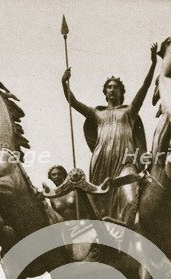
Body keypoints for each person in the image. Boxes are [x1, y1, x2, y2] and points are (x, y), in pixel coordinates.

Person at [62, 45, 157, 225]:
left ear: (122, 92)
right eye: (109, 87)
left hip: (125, 161)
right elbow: (73, 102)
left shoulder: (129, 111)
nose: (112, 90)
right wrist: (64, 83)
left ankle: (127, 232)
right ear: (105, 92)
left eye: (115, 87)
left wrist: (153, 64)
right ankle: (105, 241)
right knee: (100, 206)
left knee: (130, 199)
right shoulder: (97, 113)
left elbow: (144, 88)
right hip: (101, 161)